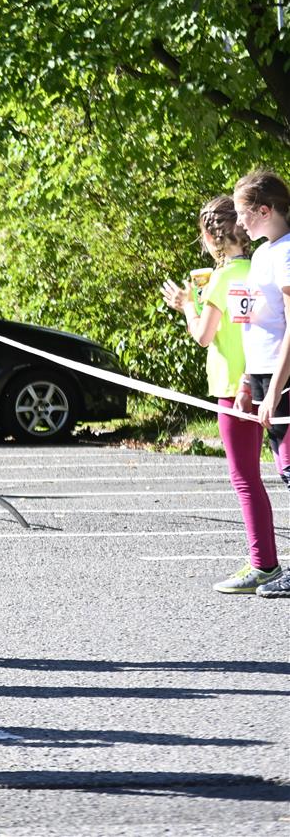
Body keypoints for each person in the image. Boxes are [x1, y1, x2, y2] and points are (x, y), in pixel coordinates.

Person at [162, 197, 280, 595]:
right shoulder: (255, 267)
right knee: (267, 473)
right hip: (261, 379)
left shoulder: (222, 277)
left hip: (234, 387)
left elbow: (203, 335)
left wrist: (186, 306)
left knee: (245, 479)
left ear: (213, 238)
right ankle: (264, 560)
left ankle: (264, 563)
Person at [233, 170, 290, 599]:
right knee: (285, 470)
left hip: (283, 376)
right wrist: (247, 379)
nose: (239, 223)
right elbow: (255, 324)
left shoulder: (286, 253)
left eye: (244, 214)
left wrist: (274, 389)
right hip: (263, 372)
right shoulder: (260, 255)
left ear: (265, 210)